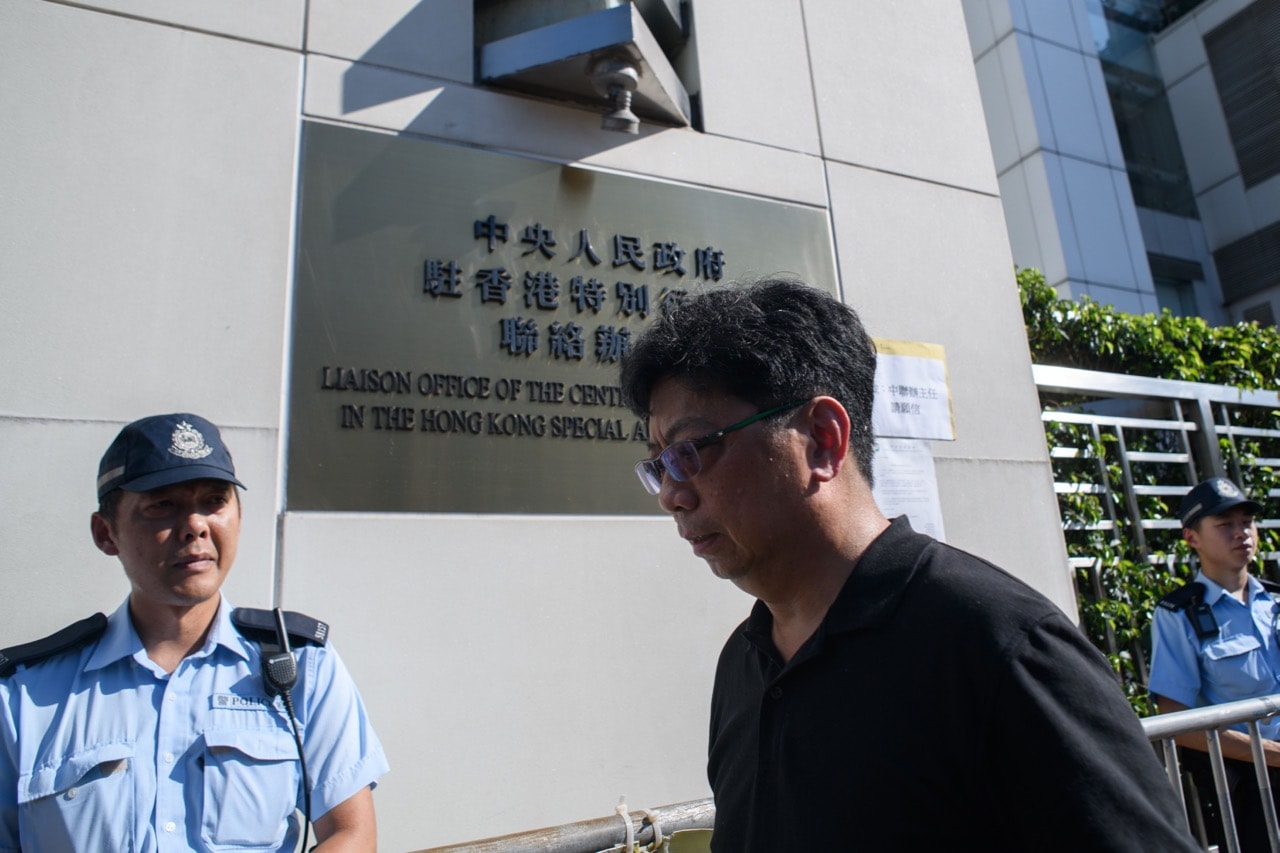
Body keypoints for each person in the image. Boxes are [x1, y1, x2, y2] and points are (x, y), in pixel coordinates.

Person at [618, 277, 1197, 851]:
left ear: (822, 439)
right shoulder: (743, 664)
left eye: (690, 451)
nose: (673, 493)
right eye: (659, 466)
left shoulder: (1001, 647)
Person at [0, 413, 389, 851]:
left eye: (214, 501)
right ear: (105, 533)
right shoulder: (25, 694)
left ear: (238, 517)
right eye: (162, 506)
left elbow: (350, 832)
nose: (195, 525)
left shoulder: (299, 666)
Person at [1150, 476, 1279, 850]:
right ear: (1192, 538)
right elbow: (1178, 722)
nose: (1242, 534)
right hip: (1253, 787)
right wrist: (1271, 755)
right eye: (1225, 525)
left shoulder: (1274, 602)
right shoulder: (1179, 615)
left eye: (1246, 522)